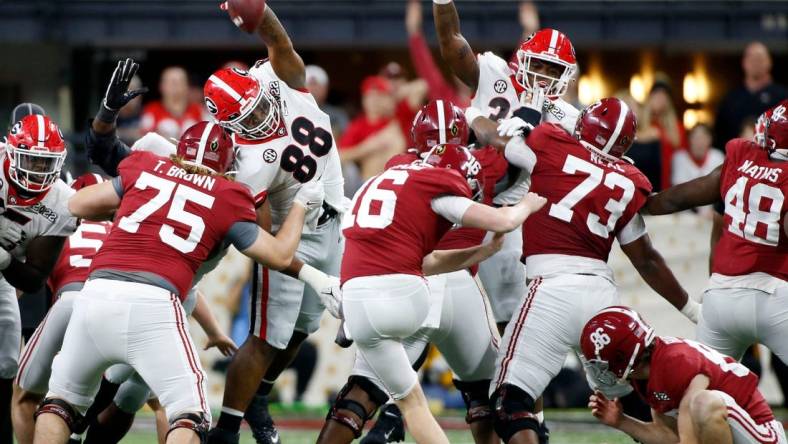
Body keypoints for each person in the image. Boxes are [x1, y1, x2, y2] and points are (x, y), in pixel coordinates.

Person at [32, 119, 324, 444]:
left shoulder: (145, 167)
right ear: (227, 166)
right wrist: (302, 204)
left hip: (96, 293)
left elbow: (76, 204)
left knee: (59, 403)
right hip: (154, 304)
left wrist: (131, 210)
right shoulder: (228, 193)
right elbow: (280, 256)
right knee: (189, 415)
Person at [465, 97, 697, 444]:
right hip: (601, 294)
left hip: (551, 288)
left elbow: (492, 138)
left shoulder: (550, 144)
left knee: (510, 400)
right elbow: (646, 258)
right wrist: (691, 309)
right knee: (633, 390)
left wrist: (473, 113)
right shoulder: (629, 179)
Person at [323, 100, 509, 444]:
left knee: (365, 389)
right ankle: (392, 419)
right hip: (457, 283)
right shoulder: (486, 162)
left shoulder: (398, 165)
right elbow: (515, 159)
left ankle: (388, 421)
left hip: (402, 279)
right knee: (485, 391)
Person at [203, 3, 346, 443]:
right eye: (246, 118)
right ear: (228, 127)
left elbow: (278, 42)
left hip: (334, 215)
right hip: (293, 233)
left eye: (257, 105)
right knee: (266, 338)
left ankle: (260, 396)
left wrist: (259, 11)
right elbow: (262, 234)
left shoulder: (272, 78)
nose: (260, 117)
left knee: (303, 330)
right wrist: (299, 262)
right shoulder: (246, 165)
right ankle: (228, 428)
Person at [433, 0, 580, 336]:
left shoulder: (568, 118)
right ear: (524, 59)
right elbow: (450, 40)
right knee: (424, 280)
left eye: (554, 71)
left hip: (511, 215)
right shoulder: (493, 72)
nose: (544, 77)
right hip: (461, 194)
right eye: (540, 65)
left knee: (511, 321)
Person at [643, 100, 787, 369]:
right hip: (775, 295)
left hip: (722, 296)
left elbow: (678, 198)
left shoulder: (741, 157)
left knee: (703, 389)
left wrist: (640, 200)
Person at [583, 306, 787, 444]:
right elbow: (672, 438)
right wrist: (621, 421)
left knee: (703, 403)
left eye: (602, 362)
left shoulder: (675, 361)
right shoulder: (646, 375)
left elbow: (689, 438)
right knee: (701, 405)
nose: (602, 369)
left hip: (764, 436)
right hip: (736, 433)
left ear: (621, 355)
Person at [0, 114, 77, 444]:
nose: (37, 169)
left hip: (3, 271)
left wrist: (2, 258)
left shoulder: (61, 201)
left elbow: (33, 278)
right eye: (30, 158)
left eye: (46, 162)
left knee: (6, 361)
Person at [715, 41, 788, 148]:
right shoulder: (731, 99)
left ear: (769, 62)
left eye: (759, 58)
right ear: (744, 63)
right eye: (751, 59)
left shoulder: (783, 97)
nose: (755, 63)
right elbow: (720, 137)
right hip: (739, 161)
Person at [339, 76, 407, 184]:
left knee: (392, 139)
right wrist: (367, 148)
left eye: (378, 96)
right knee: (349, 168)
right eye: (369, 96)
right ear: (363, 99)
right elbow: (340, 156)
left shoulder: (395, 121)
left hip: (393, 179)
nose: (373, 100)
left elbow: (420, 87)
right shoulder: (357, 125)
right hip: (362, 181)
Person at [405, 0, 470, 107]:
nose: (464, 73)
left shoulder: (486, 101)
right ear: (454, 74)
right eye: (460, 67)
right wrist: (414, 31)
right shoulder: (444, 98)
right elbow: (425, 65)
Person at [642, 78, 687, 190]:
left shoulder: (677, 128)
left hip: (671, 184)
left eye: (664, 95)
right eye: (656, 94)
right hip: (646, 181)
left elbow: (684, 158)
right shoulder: (641, 124)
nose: (660, 99)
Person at [140, 66, 204, 140]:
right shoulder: (151, 110)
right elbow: (144, 140)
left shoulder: (198, 110)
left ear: (187, 86)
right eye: (171, 82)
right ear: (161, 86)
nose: (175, 86)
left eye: (179, 81)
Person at [671, 124, 725, 189]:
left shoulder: (718, 156)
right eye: (695, 137)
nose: (699, 142)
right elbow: (678, 188)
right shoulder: (679, 158)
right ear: (689, 140)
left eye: (703, 137)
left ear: (710, 140)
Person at [305, 65, 349, 140]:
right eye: (309, 84)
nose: (313, 89)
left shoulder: (338, 115)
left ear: (326, 89)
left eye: (316, 85)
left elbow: (346, 139)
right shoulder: (289, 111)